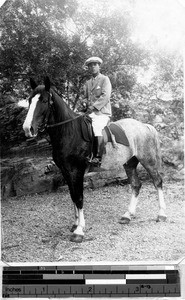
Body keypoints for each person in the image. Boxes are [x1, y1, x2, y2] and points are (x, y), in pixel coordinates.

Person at [82, 56, 112, 166]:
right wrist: (84, 103)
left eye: (95, 65)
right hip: (90, 112)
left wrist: (94, 107)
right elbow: (85, 97)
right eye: (90, 65)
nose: (92, 67)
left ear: (99, 66)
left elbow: (106, 96)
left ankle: (98, 157)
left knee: (96, 127)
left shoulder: (104, 79)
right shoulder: (87, 83)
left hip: (102, 112)